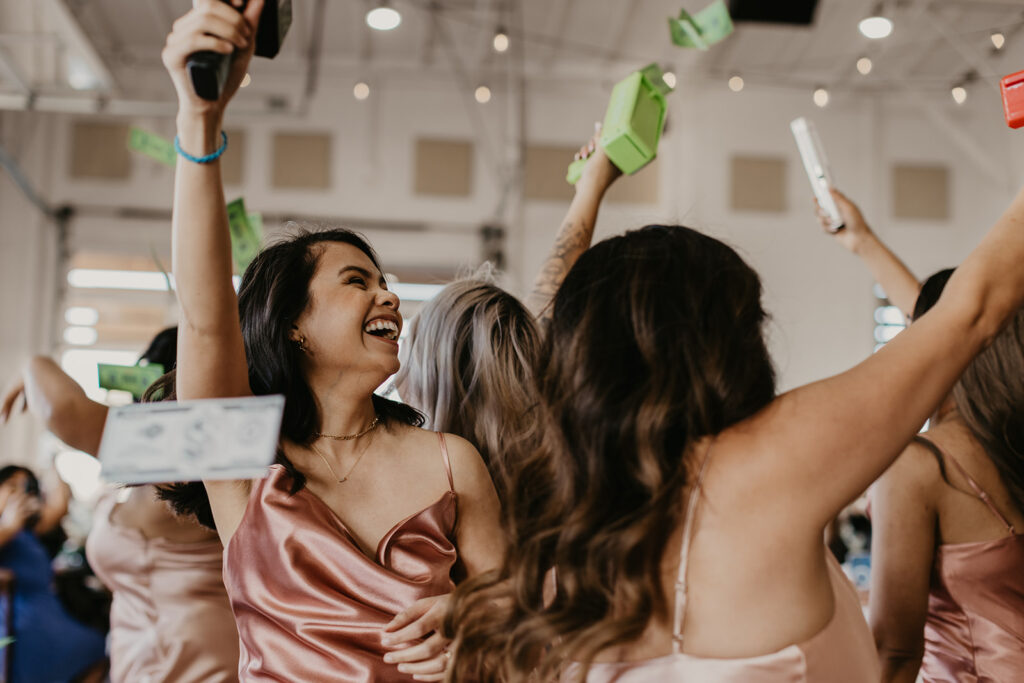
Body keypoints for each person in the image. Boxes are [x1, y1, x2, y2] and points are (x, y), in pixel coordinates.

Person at [446, 174, 1024, 679]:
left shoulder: (564, 520)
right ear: (730, 341)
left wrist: (591, 187)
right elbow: (970, 312)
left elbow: (552, 313)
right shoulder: (769, 464)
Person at [159, 1, 504, 680]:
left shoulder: (451, 462)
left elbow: (514, 609)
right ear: (292, 323)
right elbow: (204, 318)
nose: (388, 296)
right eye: (357, 281)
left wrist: (468, 621)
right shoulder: (243, 465)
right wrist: (200, 121)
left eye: (386, 282)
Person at [816, 190, 1024, 682]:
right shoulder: (1008, 448)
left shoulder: (920, 467)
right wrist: (863, 242)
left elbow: (894, 654)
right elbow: (964, 325)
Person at [0, 328, 241, 683]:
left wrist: (33, 365)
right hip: (168, 650)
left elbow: (62, 408)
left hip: (180, 661)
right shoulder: (204, 462)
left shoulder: (179, 460)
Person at [394, 131, 622, 499]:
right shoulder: (553, 461)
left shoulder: (419, 487)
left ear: (433, 374)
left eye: (410, 345)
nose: (398, 362)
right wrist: (590, 187)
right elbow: (547, 296)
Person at [0, 466, 106, 683]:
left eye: (27, 488)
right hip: (21, 623)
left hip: (49, 614)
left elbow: (60, 502)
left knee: (96, 648)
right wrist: (8, 525)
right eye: (11, 486)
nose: (20, 493)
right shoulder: (9, 528)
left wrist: (52, 460)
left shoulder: (29, 530)